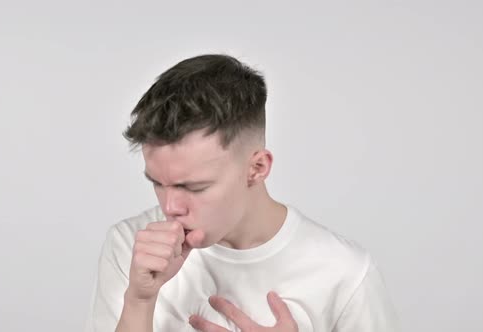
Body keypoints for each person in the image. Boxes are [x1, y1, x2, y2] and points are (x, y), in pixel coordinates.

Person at [84, 54, 400, 332]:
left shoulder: (344, 272)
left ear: (257, 168)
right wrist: (139, 300)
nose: (171, 207)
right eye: (156, 183)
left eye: (194, 187)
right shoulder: (131, 246)